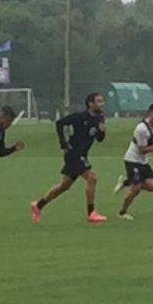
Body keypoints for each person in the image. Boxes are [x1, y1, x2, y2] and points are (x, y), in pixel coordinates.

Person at [30, 93, 108, 224]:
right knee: (92, 178)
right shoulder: (79, 117)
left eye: (102, 101)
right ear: (90, 104)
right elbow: (60, 123)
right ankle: (91, 213)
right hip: (74, 154)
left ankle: (38, 205)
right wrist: (63, 142)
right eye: (99, 101)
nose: (102, 104)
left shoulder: (100, 119)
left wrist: (102, 131)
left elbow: (99, 138)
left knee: (63, 186)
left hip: (82, 154)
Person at [115, 102, 153, 220]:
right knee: (135, 189)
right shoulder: (141, 129)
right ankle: (122, 212)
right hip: (132, 159)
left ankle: (127, 182)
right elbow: (142, 150)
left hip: (143, 161)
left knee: (152, 186)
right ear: (151, 113)